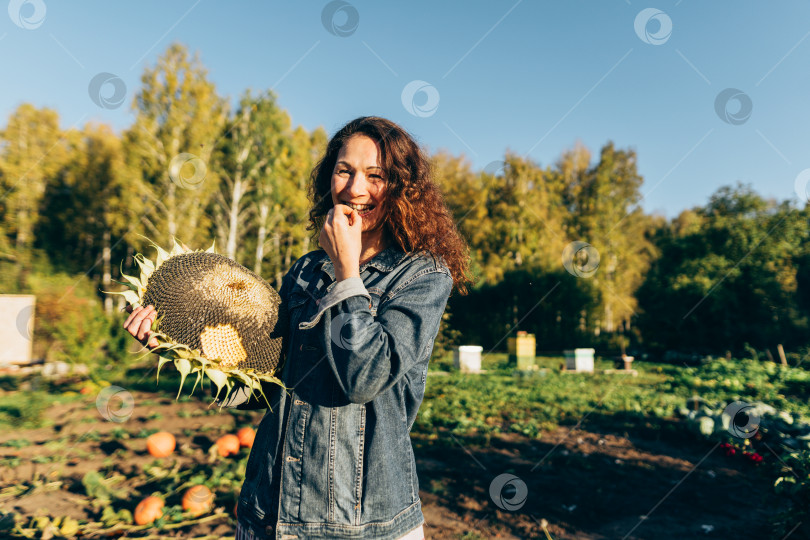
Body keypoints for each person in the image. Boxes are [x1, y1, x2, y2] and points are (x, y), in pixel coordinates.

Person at [124, 116, 472, 539]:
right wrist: (180, 350)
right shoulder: (306, 270)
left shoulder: (422, 275)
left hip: (360, 525)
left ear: (401, 188)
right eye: (344, 171)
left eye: (375, 176)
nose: (354, 188)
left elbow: (365, 376)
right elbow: (270, 383)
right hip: (269, 511)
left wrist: (347, 273)